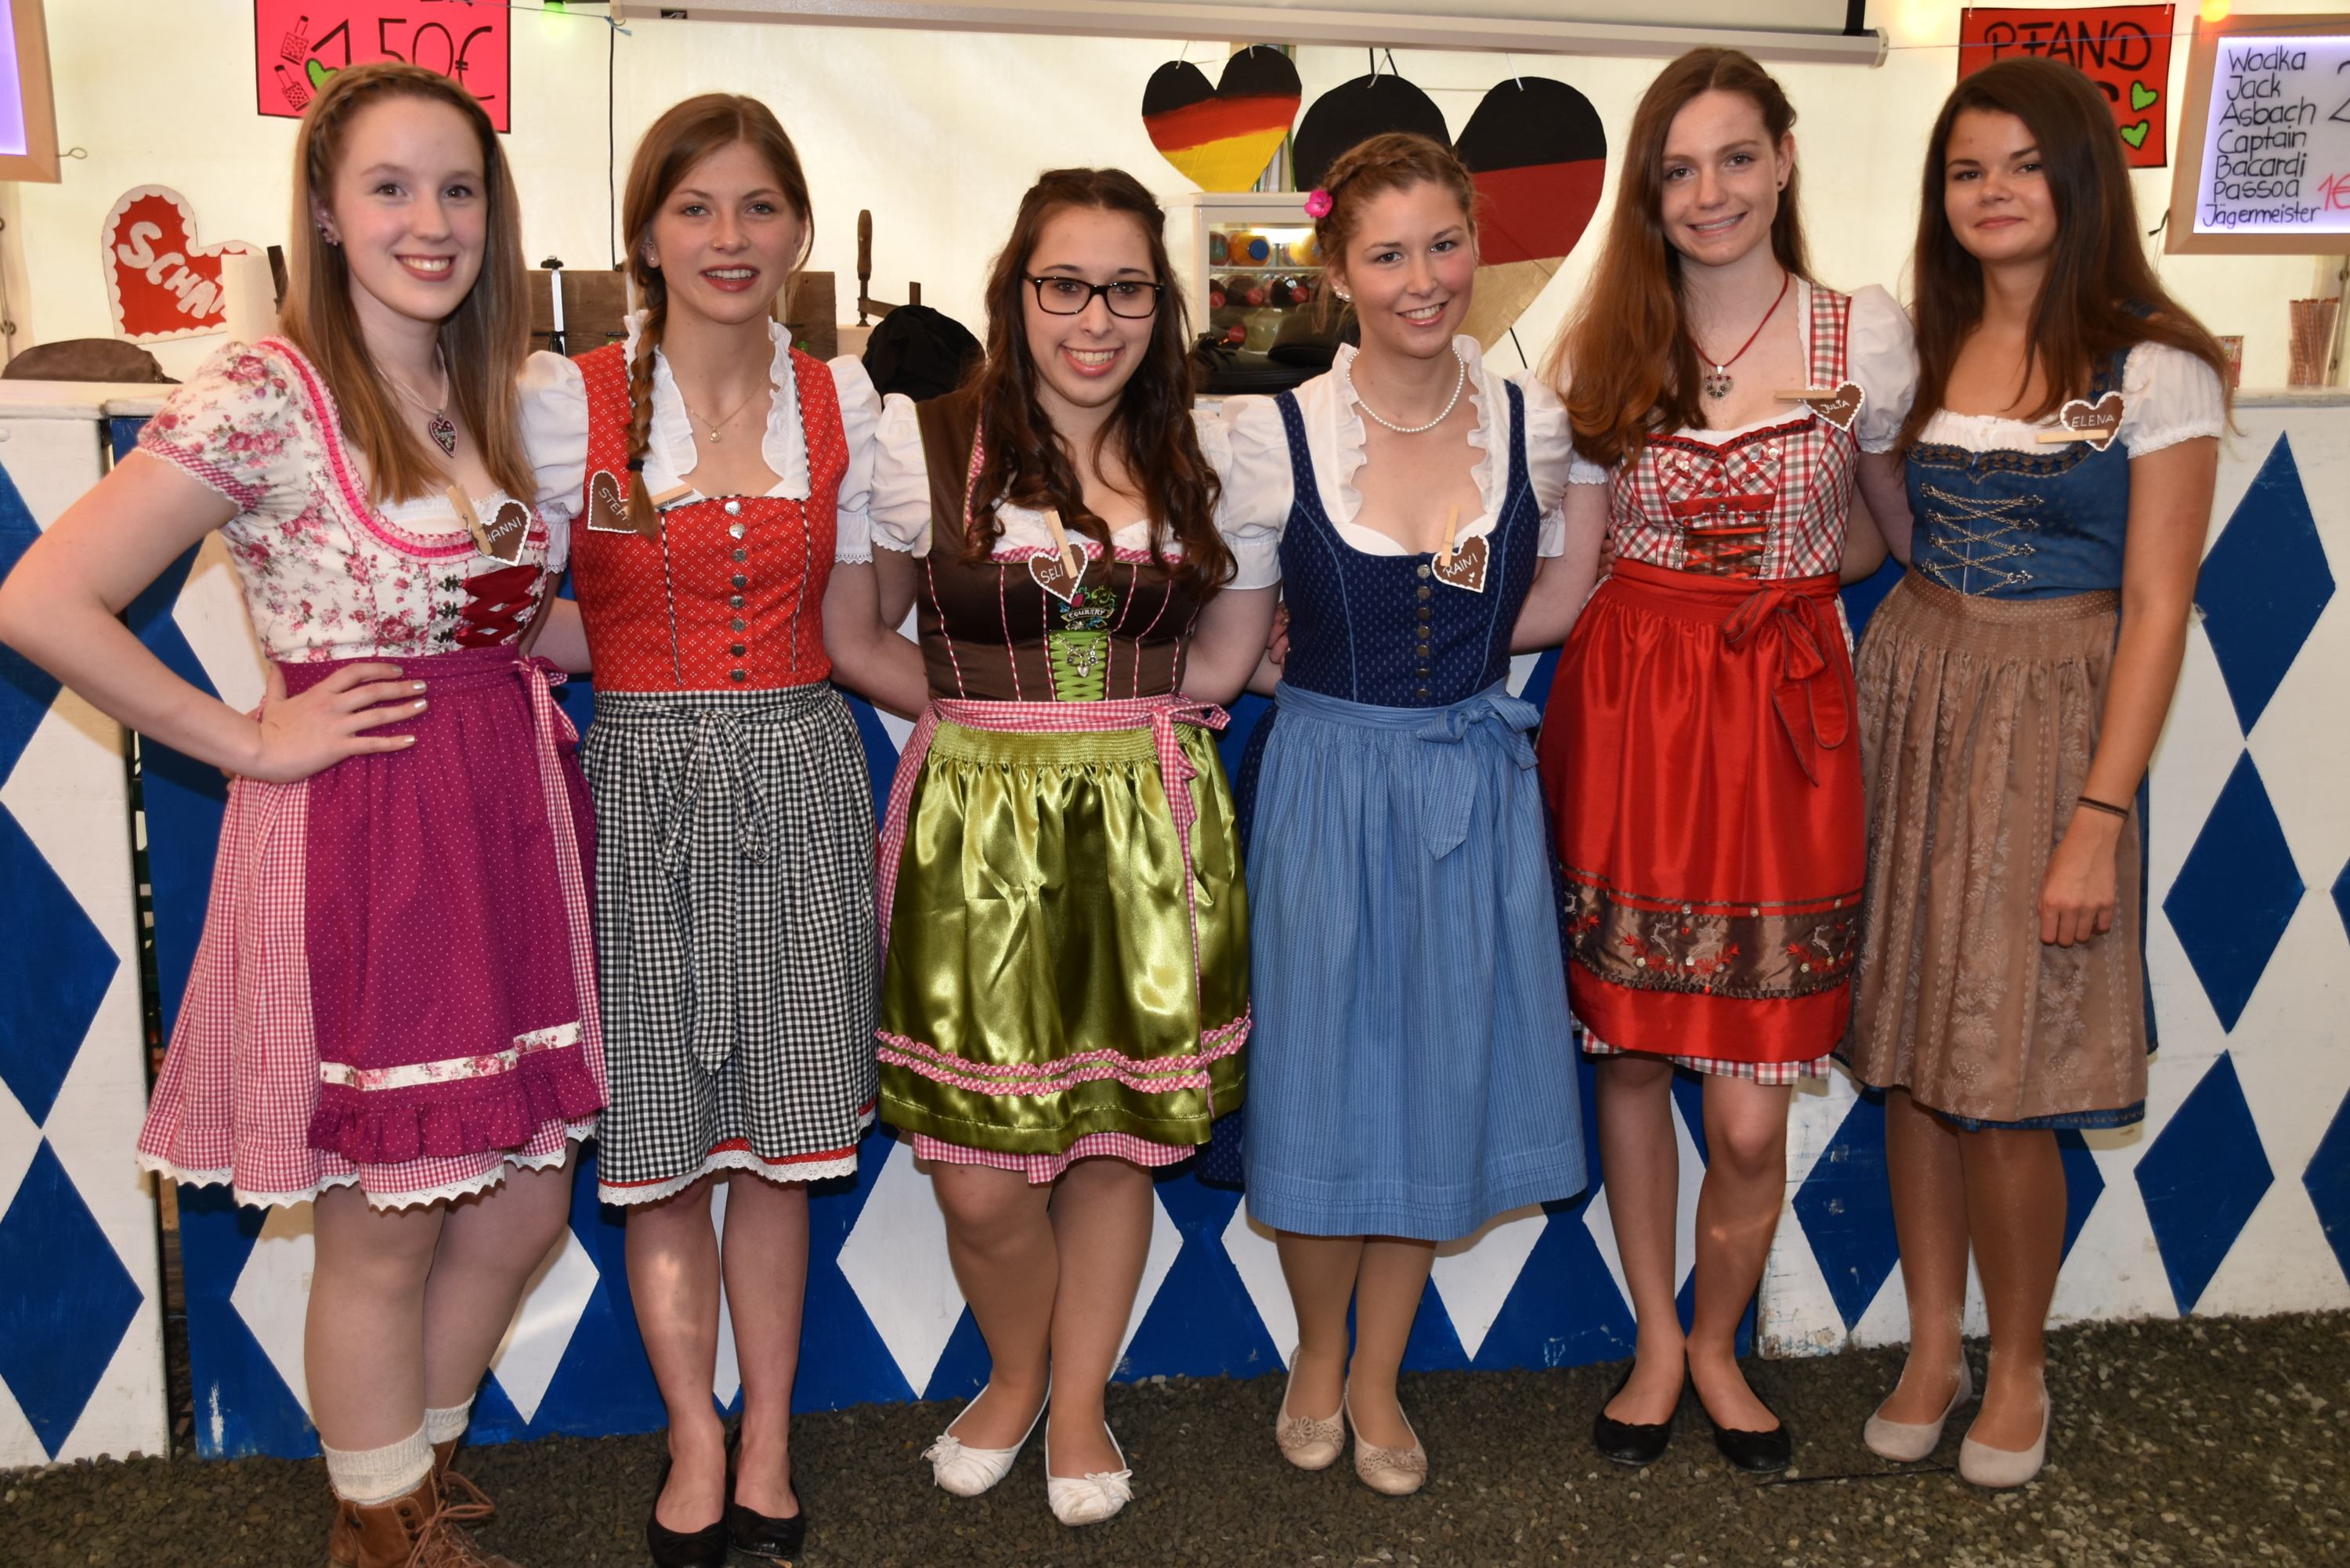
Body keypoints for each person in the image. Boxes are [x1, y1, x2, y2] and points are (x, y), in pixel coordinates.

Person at [0, 62, 600, 1568]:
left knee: (524, 1201)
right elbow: (42, 597)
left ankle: (411, 1465)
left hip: (506, 816)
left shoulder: (499, 389)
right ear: (327, 213)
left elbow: (515, 622)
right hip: (371, 833)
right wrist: (248, 741)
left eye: (457, 189)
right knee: (388, 1218)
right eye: (390, 188)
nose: (430, 221)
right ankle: (383, 1524)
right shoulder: (267, 393)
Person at [823, 168, 1277, 1526]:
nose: (1095, 318)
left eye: (1126, 288)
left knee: (1115, 1134)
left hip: (1143, 822)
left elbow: (1224, 659)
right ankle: (1018, 1370)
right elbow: (856, 633)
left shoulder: (1214, 450)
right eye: (1065, 284)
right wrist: (983, 723)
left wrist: (1116, 733)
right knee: (976, 1177)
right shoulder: (926, 442)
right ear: (1016, 291)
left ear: (1161, 304)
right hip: (975, 831)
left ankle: (1076, 1399)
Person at [519, 93, 894, 1568]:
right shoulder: (568, 402)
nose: (729, 237)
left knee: (783, 1144)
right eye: (696, 207)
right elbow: (520, 607)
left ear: (797, 231)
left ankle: (771, 1434)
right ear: (647, 235)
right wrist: (616, 662)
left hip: (802, 779)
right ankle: (693, 1435)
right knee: (666, 1145)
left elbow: (859, 631)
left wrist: (1014, 714)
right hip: (640, 792)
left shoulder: (845, 403)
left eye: (757, 207)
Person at [1842, 56, 2228, 1490]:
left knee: (2004, 1069)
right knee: (1915, 1056)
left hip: (2057, 715)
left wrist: (2097, 820)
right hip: (1919, 695)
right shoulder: (1925, 347)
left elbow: (2158, 610)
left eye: (2020, 165)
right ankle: (1930, 1348)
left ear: (2079, 180)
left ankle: (2018, 1363)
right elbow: (1887, 530)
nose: (1992, 192)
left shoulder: (2155, 364)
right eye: (1966, 170)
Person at [1535, 47, 1914, 1472]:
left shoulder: (1862, 336)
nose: (1711, 193)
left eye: (1736, 158)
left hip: (1782, 731)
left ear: (1785, 158)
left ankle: (1718, 1338)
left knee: (1751, 1112)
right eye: (1680, 169)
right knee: (1632, 1055)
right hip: (1633, 717)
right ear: (1650, 191)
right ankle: (1657, 1338)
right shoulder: (1605, 349)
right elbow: (1571, 574)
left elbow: (1889, 531)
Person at [1212, 131, 1596, 1496]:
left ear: (1476, 244)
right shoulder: (1274, 437)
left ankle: (1378, 1374)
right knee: (1318, 1084)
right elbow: (1234, 642)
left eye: (1445, 244)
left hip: (1472, 787)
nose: (1424, 278)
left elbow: (1556, 597)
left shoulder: (1532, 422)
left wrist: (1461, 675)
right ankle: (1318, 1352)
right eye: (1387, 254)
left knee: (1432, 1085)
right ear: (1338, 271)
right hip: (1325, 784)